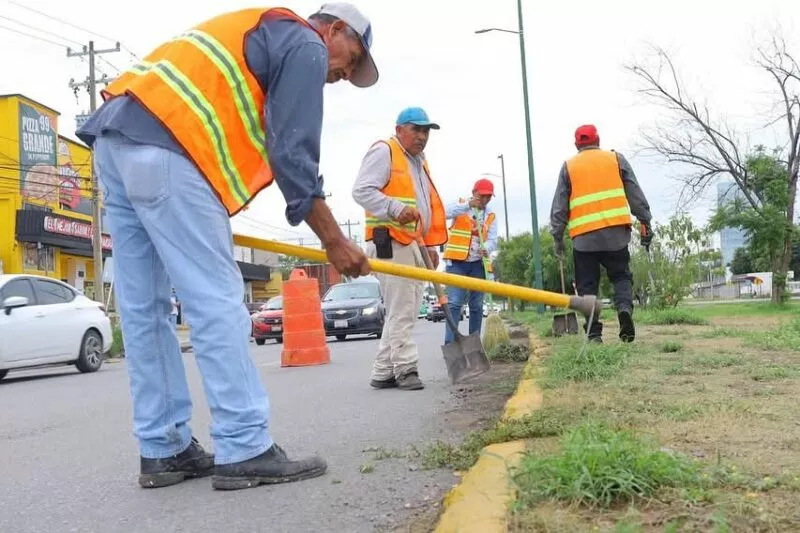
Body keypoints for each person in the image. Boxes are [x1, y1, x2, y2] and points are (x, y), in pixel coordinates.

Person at [75, 3, 376, 491]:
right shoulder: (303, 42)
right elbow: (291, 151)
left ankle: (163, 448)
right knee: (215, 301)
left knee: (144, 311)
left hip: (115, 142)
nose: (345, 73)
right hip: (169, 147)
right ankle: (244, 446)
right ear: (334, 29)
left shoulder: (253, 29)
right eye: (353, 58)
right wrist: (334, 239)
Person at [352, 107, 447, 391]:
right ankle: (406, 369)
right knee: (403, 309)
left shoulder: (418, 161)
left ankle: (383, 371)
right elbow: (361, 190)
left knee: (403, 308)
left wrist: (428, 244)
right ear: (399, 130)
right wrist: (394, 208)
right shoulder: (384, 151)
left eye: (426, 131)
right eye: (416, 129)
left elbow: (423, 205)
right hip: (390, 241)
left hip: (412, 241)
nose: (422, 136)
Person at [549, 124, 653, 343]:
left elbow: (559, 207)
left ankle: (594, 333)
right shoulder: (616, 159)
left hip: (585, 240)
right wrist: (645, 220)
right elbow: (634, 192)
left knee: (587, 285)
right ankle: (624, 308)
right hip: (616, 234)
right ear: (599, 140)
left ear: (577, 144)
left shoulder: (569, 166)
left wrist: (557, 238)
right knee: (621, 276)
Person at [441, 178, 498, 343]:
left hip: (478, 265)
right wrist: (468, 205)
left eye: (488, 196)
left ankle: (474, 343)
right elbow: (443, 213)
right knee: (454, 304)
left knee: (477, 305)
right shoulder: (461, 205)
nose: (485, 199)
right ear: (474, 193)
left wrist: (486, 246)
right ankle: (450, 342)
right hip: (457, 263)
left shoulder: (491, 214)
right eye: (482, 196)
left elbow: (493, 239)